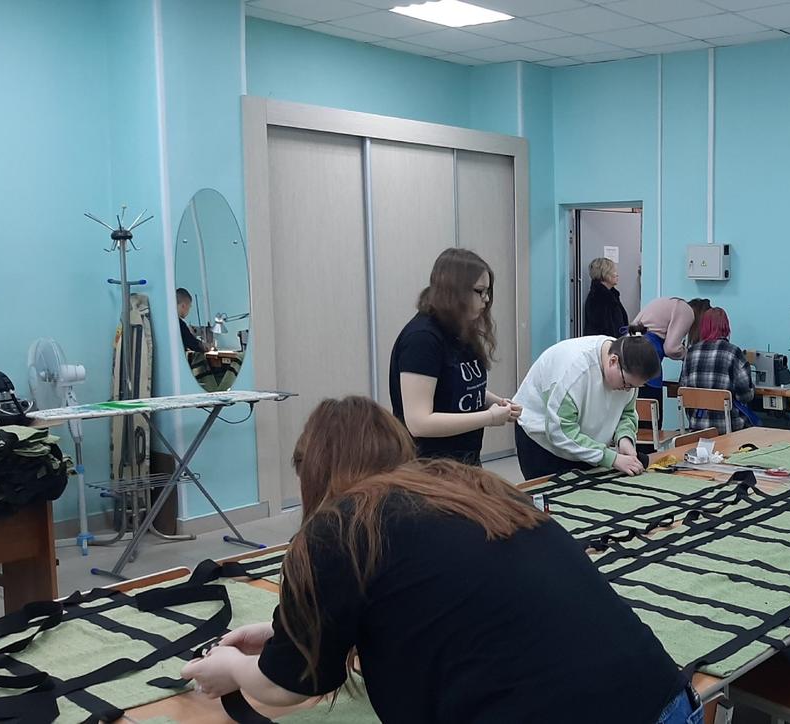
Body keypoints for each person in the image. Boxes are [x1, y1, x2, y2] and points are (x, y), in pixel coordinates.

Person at [180, 397, 701, 724]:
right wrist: (288, 634)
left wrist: (233, 669)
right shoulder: (475, 489)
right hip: (664, 699)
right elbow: (440, 610)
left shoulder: (336, 528)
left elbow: (287, 687)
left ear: (314, 475)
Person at [389, 248, 521, 465]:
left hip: (464, 462)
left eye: (488, 291)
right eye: (480, 291)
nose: (486, 299)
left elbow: (456, 384)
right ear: (454, 291)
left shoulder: (459, 330)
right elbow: (419, 422)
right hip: (429, 469)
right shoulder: (422, 339)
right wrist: (489, 418)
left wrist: (497, 403)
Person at [511, 331, 661, 480]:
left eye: (634, 386)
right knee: (551, 499)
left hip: (586, 444)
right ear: (613, 361)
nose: (627, 389)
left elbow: (627, 412)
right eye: (626, 384)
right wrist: (612, 458)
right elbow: (561, 431)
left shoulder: (628, 365)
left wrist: (625, 439)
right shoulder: (573, 372)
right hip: (543, 442)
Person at [680, 308, 755, 432]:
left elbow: (683, 389)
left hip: (697, 428)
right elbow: (745, 395)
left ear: (703, 327)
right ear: (726, 327)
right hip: (730, 428)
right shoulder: (733, 352)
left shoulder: (690, 353)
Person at [630, 297, 708, 403]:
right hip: (647, 360)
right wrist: (689, 355)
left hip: (628, 353)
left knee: (635, 410)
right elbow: (671, 349)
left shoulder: (668, 303)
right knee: (653, 413)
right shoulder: (686, 311)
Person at [583, 256, 629, 337]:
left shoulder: (611, 295)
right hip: (605, 346)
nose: (617, 274)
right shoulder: (598, 298)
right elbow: (603, 329)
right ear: (605, 274)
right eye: (613, 271)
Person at [176, 287, 206, 355]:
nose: (189, 311)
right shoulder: (179, 324)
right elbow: (193, 344)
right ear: (183, 305)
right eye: (189, 307)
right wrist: (204, 346)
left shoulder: (168, 321)